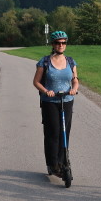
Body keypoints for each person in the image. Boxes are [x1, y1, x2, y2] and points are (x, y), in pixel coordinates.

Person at [33, 30, 79, 177]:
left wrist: (74, 89)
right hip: (50, 102)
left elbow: (75, 79)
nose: (61, 45)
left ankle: (63, 160)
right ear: (53, 44)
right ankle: (53, 164)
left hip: (67, 100)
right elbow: (36, 82)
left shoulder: (71, 61)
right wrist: (46, 91)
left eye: (63, 42)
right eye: (58, 43)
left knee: (65, 132)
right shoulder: (45, 61)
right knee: (53, 133)